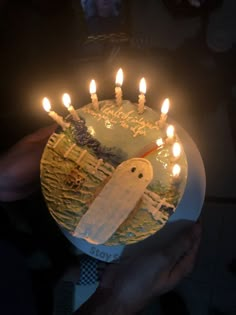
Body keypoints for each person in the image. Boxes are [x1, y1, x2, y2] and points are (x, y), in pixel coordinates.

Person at [0, 125, 201, 314]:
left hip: (19, 253)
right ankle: (75, 272)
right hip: (29, 289)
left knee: (54, 269)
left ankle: (73, 271)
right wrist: (116, 302)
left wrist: (2, 183)